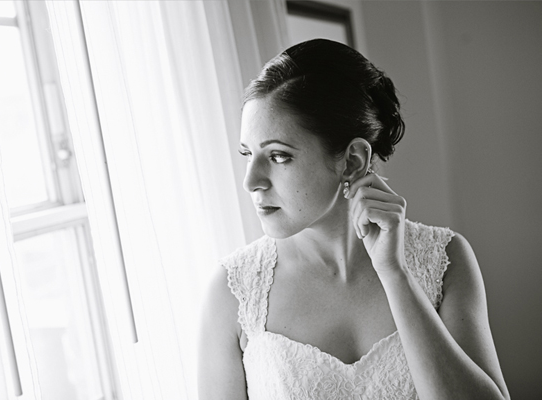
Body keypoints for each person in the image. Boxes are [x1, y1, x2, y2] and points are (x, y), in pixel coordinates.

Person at [197, 39, 510, 399]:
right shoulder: (232, 293)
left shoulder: (446, 259)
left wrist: (395, 274)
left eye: (279, 156)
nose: (251, 181)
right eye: (247, 154)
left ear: (352, 161)